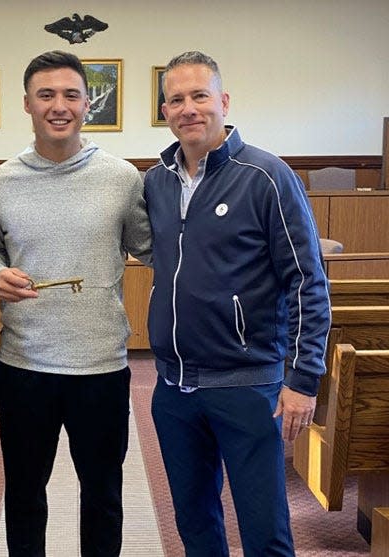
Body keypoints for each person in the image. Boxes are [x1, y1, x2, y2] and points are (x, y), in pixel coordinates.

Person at [144, 51, 331, 556]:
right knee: (195, 522)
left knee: (263, 529)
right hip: (174, 388)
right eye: (176, 99)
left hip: (248, 387)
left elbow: (308, 281)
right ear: (165, 110)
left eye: (199, 96)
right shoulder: (156, 182)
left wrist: (302, 380)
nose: (189, 108)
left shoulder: (266, 175)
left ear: (223, 101)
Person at [0, 50, 151, 557]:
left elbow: (154, 246)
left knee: (103, 494)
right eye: (47, 95)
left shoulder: (121, 178)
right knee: (25, 495)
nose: (60, 105)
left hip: (101, 367)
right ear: (27, 104)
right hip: (24, 366)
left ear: (87, 104)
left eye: (71, 95)